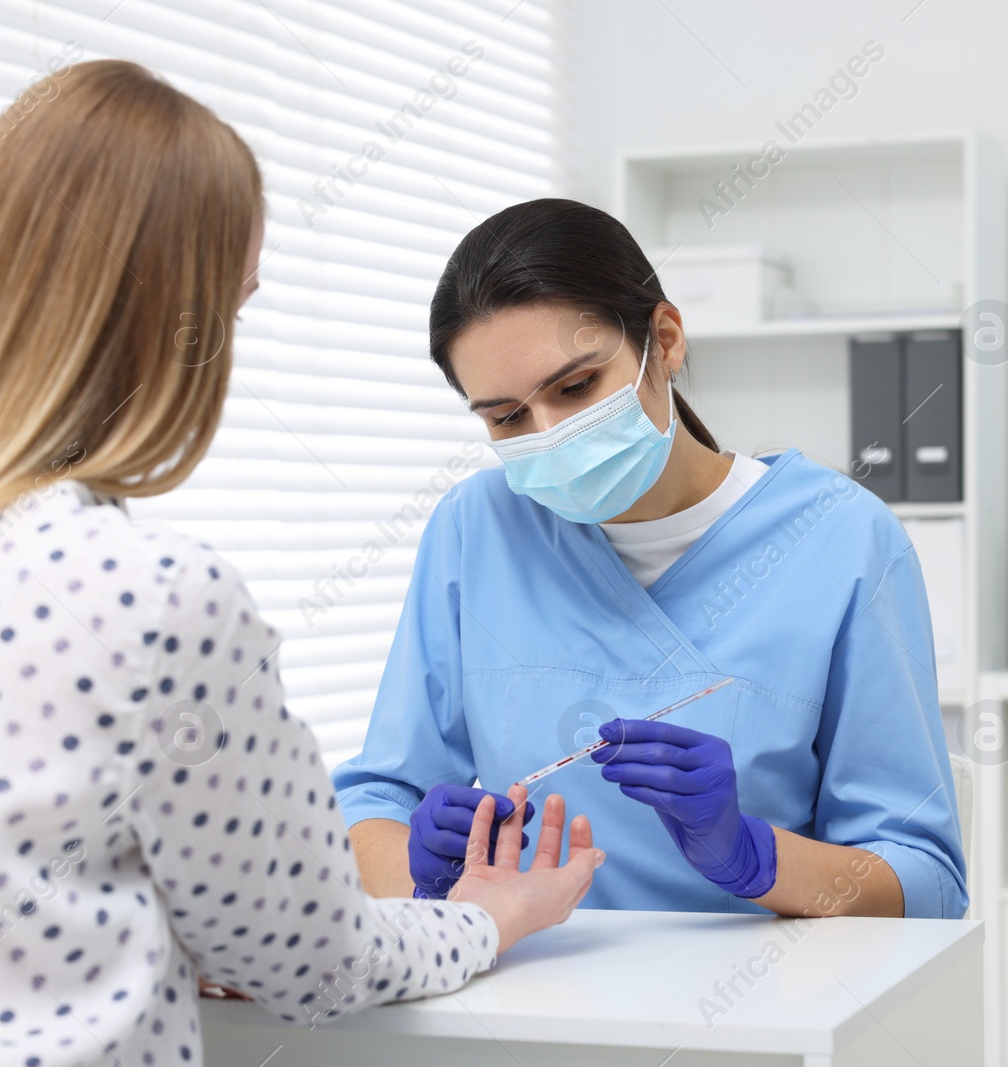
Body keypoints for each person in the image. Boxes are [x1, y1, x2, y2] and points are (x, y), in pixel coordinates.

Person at [0, 63, 604, 1067]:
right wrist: (486, 914)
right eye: (233, 306)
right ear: (174, 319)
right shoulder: (147, 592)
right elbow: (316, 960)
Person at [333, 198, 967, 920]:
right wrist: (417, 872)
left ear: (664, 339)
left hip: (762, 1009)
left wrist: (754, 855)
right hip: (527, 991)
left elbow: (928, 881)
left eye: (576, 387)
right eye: (507, 417)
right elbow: (374, 802)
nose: (551, 434)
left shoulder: (842, 539)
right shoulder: (475, 529)